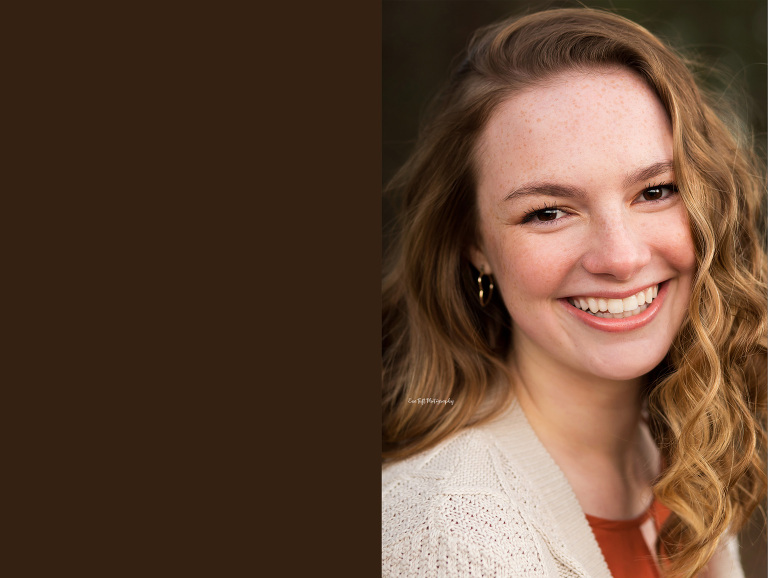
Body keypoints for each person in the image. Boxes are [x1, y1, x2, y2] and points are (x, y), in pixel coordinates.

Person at [381, 8, 766, 578]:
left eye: (656, 190)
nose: (621, 257)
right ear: (474, 244)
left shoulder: (678, 451)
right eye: (549, 212)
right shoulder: (448, 528)